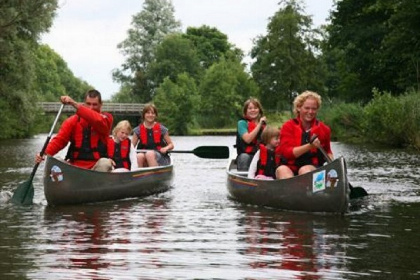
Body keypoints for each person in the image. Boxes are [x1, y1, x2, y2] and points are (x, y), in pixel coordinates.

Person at [35, 90, 114, 172]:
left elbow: (97, 120)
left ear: (101, 105)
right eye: (88, 104)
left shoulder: (107, 119)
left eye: (95, 104)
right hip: (75, 167)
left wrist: (73, 103)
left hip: (96, 167)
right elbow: (59, 140)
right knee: (55, 162)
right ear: (84, 104)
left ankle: (98, 182)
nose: (91, 108)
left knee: (105, 163)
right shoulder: (72, 121)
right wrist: (44, 153)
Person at [275, 90, 333, 179]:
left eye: (314, 109)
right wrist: (310, 146)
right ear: (299, 108)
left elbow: (328, 151)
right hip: (290, 167)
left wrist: (334, 166)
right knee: (282, 170)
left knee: (304, 170)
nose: (310, 112)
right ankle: (291, 191)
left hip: (312, 167)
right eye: (307, 108)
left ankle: (306, 190)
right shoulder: (288, 126)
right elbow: (287, 153)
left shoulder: (324, 129)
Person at [235, 98, 267, 171]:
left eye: (255, 108)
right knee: (244, 157)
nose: (253, 110)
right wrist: (259, 124)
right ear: (246, 111)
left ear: (259, 110)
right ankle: (244, 179)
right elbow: (248, 139)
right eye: (250, 108)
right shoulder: (242, 123)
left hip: (260, 155)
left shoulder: (264, 126)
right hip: (247, 156)